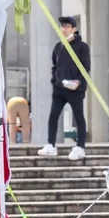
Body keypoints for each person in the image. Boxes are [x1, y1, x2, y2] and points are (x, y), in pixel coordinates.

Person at [38, 16, 90, 160]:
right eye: (62, 26)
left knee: (79, 116)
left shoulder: (82, 47)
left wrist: (79, 83)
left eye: (67, 26)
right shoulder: (58, 46)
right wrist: (55, 81)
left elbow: (86, 68)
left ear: (74, 29)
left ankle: (80, 146)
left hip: (75, 89)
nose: (64, 29)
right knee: (53, 116)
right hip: (60, 88)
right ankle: (51, 145)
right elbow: (55, 66)